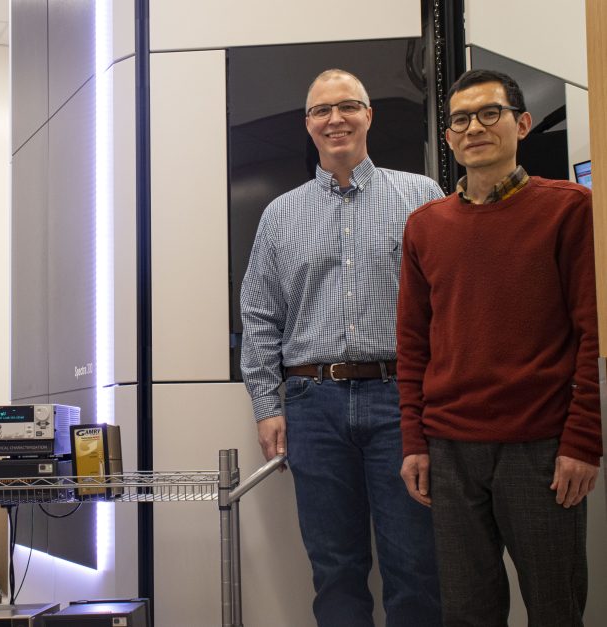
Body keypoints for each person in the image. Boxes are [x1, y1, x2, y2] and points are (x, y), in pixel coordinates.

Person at [241, 68, 444, 626]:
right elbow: (259, 315)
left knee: (415, 565)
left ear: (368, 115)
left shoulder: (422, 198)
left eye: (347, 106)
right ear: (308, 125)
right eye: (321, 111)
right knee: (334, 567)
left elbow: (447, 305)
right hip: (313, 405)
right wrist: (268, 405)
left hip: (400, 402)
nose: (335, 119)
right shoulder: (281, 214)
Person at [398, 68, 600, 627]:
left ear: (523, 124)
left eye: (491, 113)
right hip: (450, 447)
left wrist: (583, 439)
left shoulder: (569, 210)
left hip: (539, 447)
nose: (474, 127)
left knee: (555, 606)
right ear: (449, 137)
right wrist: (415, 441)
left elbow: (592, 334)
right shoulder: (425, 226)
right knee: (466, 611)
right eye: (461, 119)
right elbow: (413, 345)